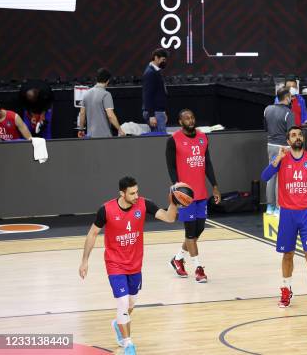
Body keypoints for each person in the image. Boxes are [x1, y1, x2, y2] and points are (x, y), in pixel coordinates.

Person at [78, 176, 178, 355]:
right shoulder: (106, 210)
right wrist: (85, 260)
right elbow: (92, 233)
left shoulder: (145, 204)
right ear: (122, 193)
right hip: (115, 263)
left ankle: (118, 323)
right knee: (123, 303)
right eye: (132, 193)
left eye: (137, 191)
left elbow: (170, 218)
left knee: (131, 302)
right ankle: (128, 343)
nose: (136, 195)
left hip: (135, 264)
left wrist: (174, 202)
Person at [261, 126, 307, 314]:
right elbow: (265, 176)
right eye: (293, 135)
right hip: (287, 214)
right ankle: (286, 290)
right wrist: (277, 158)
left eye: (300, 135)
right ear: (288, 140)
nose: (297, 137)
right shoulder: (283, 158)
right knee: (288, 255)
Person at [167, 109, 221, 282]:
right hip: (185, 195)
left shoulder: (203, 137)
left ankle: (177, 259)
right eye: (186, 118)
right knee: (190, 232)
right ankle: (198, 268)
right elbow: (171, 167)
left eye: (192, 117)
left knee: (199, 229)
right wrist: (177, 188)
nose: (190, 120)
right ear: (180, 121)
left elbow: (208, 163)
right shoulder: (173, 140)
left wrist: (214, 186)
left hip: (201, 193)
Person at [263, 88, 294, 215]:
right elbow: (291, 134)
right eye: (291, 97)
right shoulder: (288, 113)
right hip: (284, 148)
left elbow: (265, 127)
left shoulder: (267, 109)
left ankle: (270, 207)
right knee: (281, 177)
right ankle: (278, 207)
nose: (291, 99)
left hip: (271, 145)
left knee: (272, 175)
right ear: (287, 98)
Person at [78, 68, 125, 138]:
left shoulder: (86, 94)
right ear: (107, 81)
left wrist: (81, 130)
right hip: (104, 137)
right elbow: (110, 115)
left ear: (96, 79)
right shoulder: (106, 94)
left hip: (90, 137)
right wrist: (120, 130)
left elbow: (82, 114)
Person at [142, 48, 169, 134]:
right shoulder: (150, 73)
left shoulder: (155, 71)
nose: (164, 62)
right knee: (161, 140)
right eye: (163, 60)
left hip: (158, 112)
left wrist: (163, 112)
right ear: (156, 58)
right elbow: (148, 95)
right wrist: (151, 115)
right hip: (155, 113)